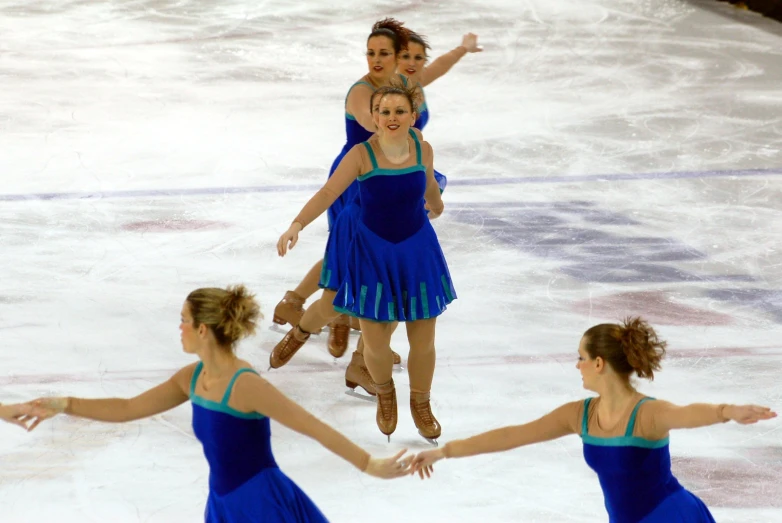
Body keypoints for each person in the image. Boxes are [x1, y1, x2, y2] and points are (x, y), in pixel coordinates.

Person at [21, 285, 414, 522]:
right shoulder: (191, 379)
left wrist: (369, 464)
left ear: (203, 330)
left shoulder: (244, 385)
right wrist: (64, 403)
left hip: (260, 504)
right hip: (224, 501)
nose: (179, 328)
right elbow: (127, 408)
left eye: (183, 320)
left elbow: (311, 425)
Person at [410, 317, 777, 522]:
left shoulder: (644, 414)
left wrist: (727, 412)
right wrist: (445, 452)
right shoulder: (580, 415)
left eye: (581, 357)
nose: (577, 365)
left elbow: (686, 414)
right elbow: (514, 435)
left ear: (599, 363)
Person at [276, 86, 454, 443]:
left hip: (417, 253)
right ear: (374, 117)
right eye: (384, 111)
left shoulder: (422, 148)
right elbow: (328, 193)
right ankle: (385, 393)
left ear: (413, 116)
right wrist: (297, 223)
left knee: (423, 340)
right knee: (374, 343)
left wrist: (436, 207)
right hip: (372, 254)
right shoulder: (362, 155)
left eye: (399, 111)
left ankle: (421, 402)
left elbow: (429, 189)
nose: (391, 118)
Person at [272, 18, 412, 358]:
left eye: (383, 53)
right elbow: (373, 124)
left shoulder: (401, 85)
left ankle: (307, 308)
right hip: (355, 179)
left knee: (363, 253)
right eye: (370, 53)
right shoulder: (362, 93)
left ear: (397, 56)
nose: (375, 59)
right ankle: (334, 322)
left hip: (386, 178)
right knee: (352, 253)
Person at [398, 30, 482, 192]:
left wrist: (464, 48)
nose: (412, 63)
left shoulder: (415, 82)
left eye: (418, 58)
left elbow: (441, 64)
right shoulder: (391, 92)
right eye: (406, 56)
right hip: (390, 165)